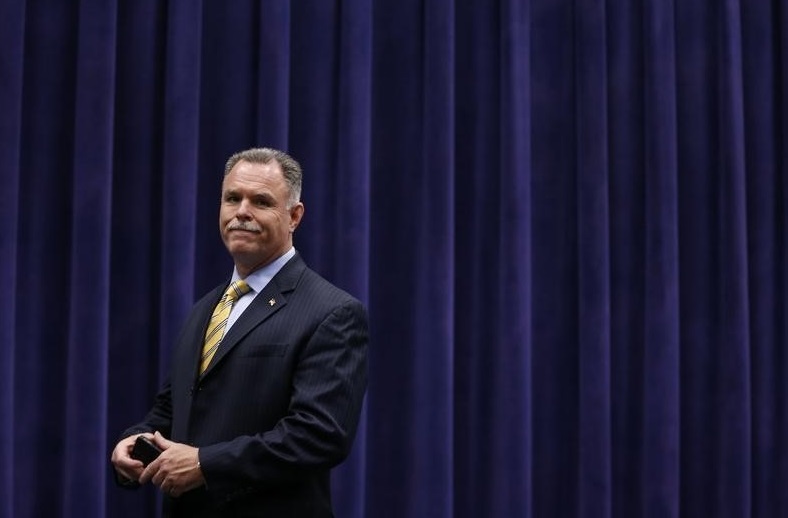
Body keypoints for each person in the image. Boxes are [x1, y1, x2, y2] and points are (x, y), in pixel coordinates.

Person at [111, 147, 369, 517]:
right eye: (232, 198)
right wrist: (133, 441)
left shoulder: (333, 312)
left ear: (294, 216)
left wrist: (206, 464)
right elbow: (173, 407)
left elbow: (319, 436)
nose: (242, 212)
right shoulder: (206, 308)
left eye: (261, 201)